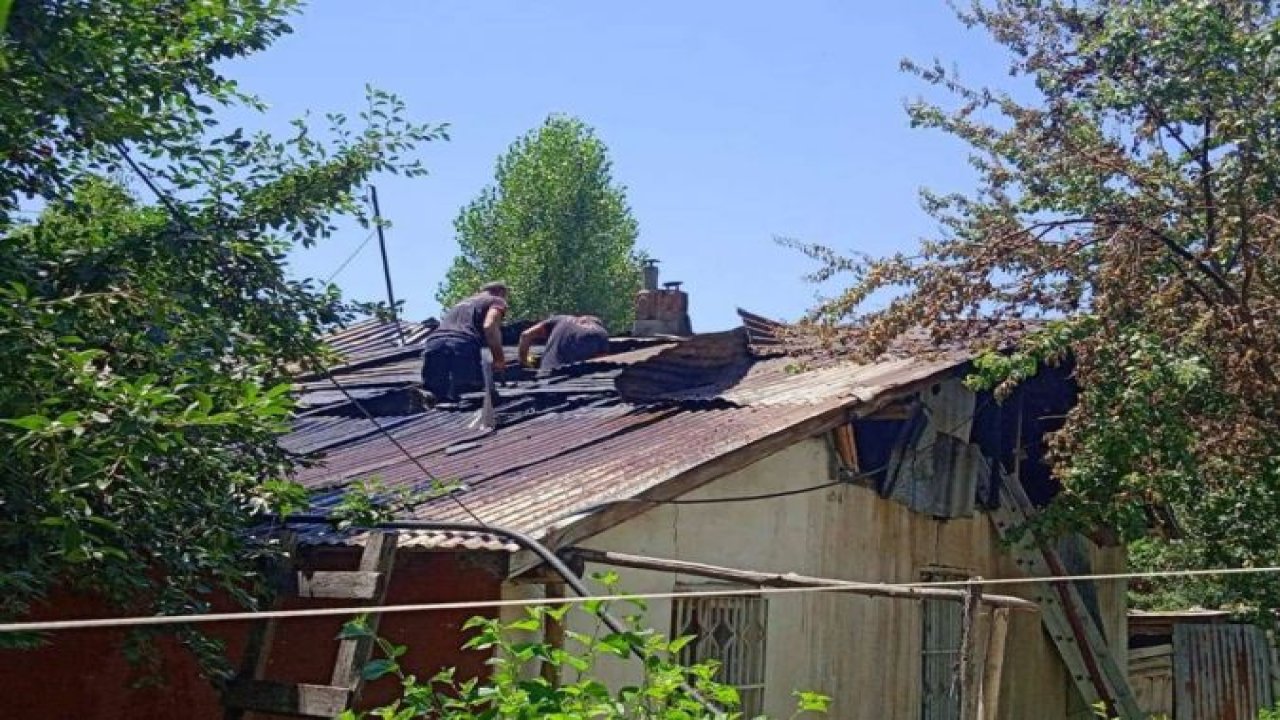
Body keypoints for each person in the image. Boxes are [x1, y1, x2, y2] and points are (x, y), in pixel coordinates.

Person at [420, 282, 508, 403]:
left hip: (433, 344)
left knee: (435, 399)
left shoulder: (460, 304)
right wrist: (499, 359)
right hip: (462, 345)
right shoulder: (497, 300)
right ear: (501, 292)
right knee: (470, 398)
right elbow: (489, 326)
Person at [517, 314, 609, 377]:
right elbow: (600, 365)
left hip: (544, 375)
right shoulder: (601, 333)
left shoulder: (560, 319)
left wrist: (524, 363)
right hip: (572, 382)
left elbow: (525, 335)